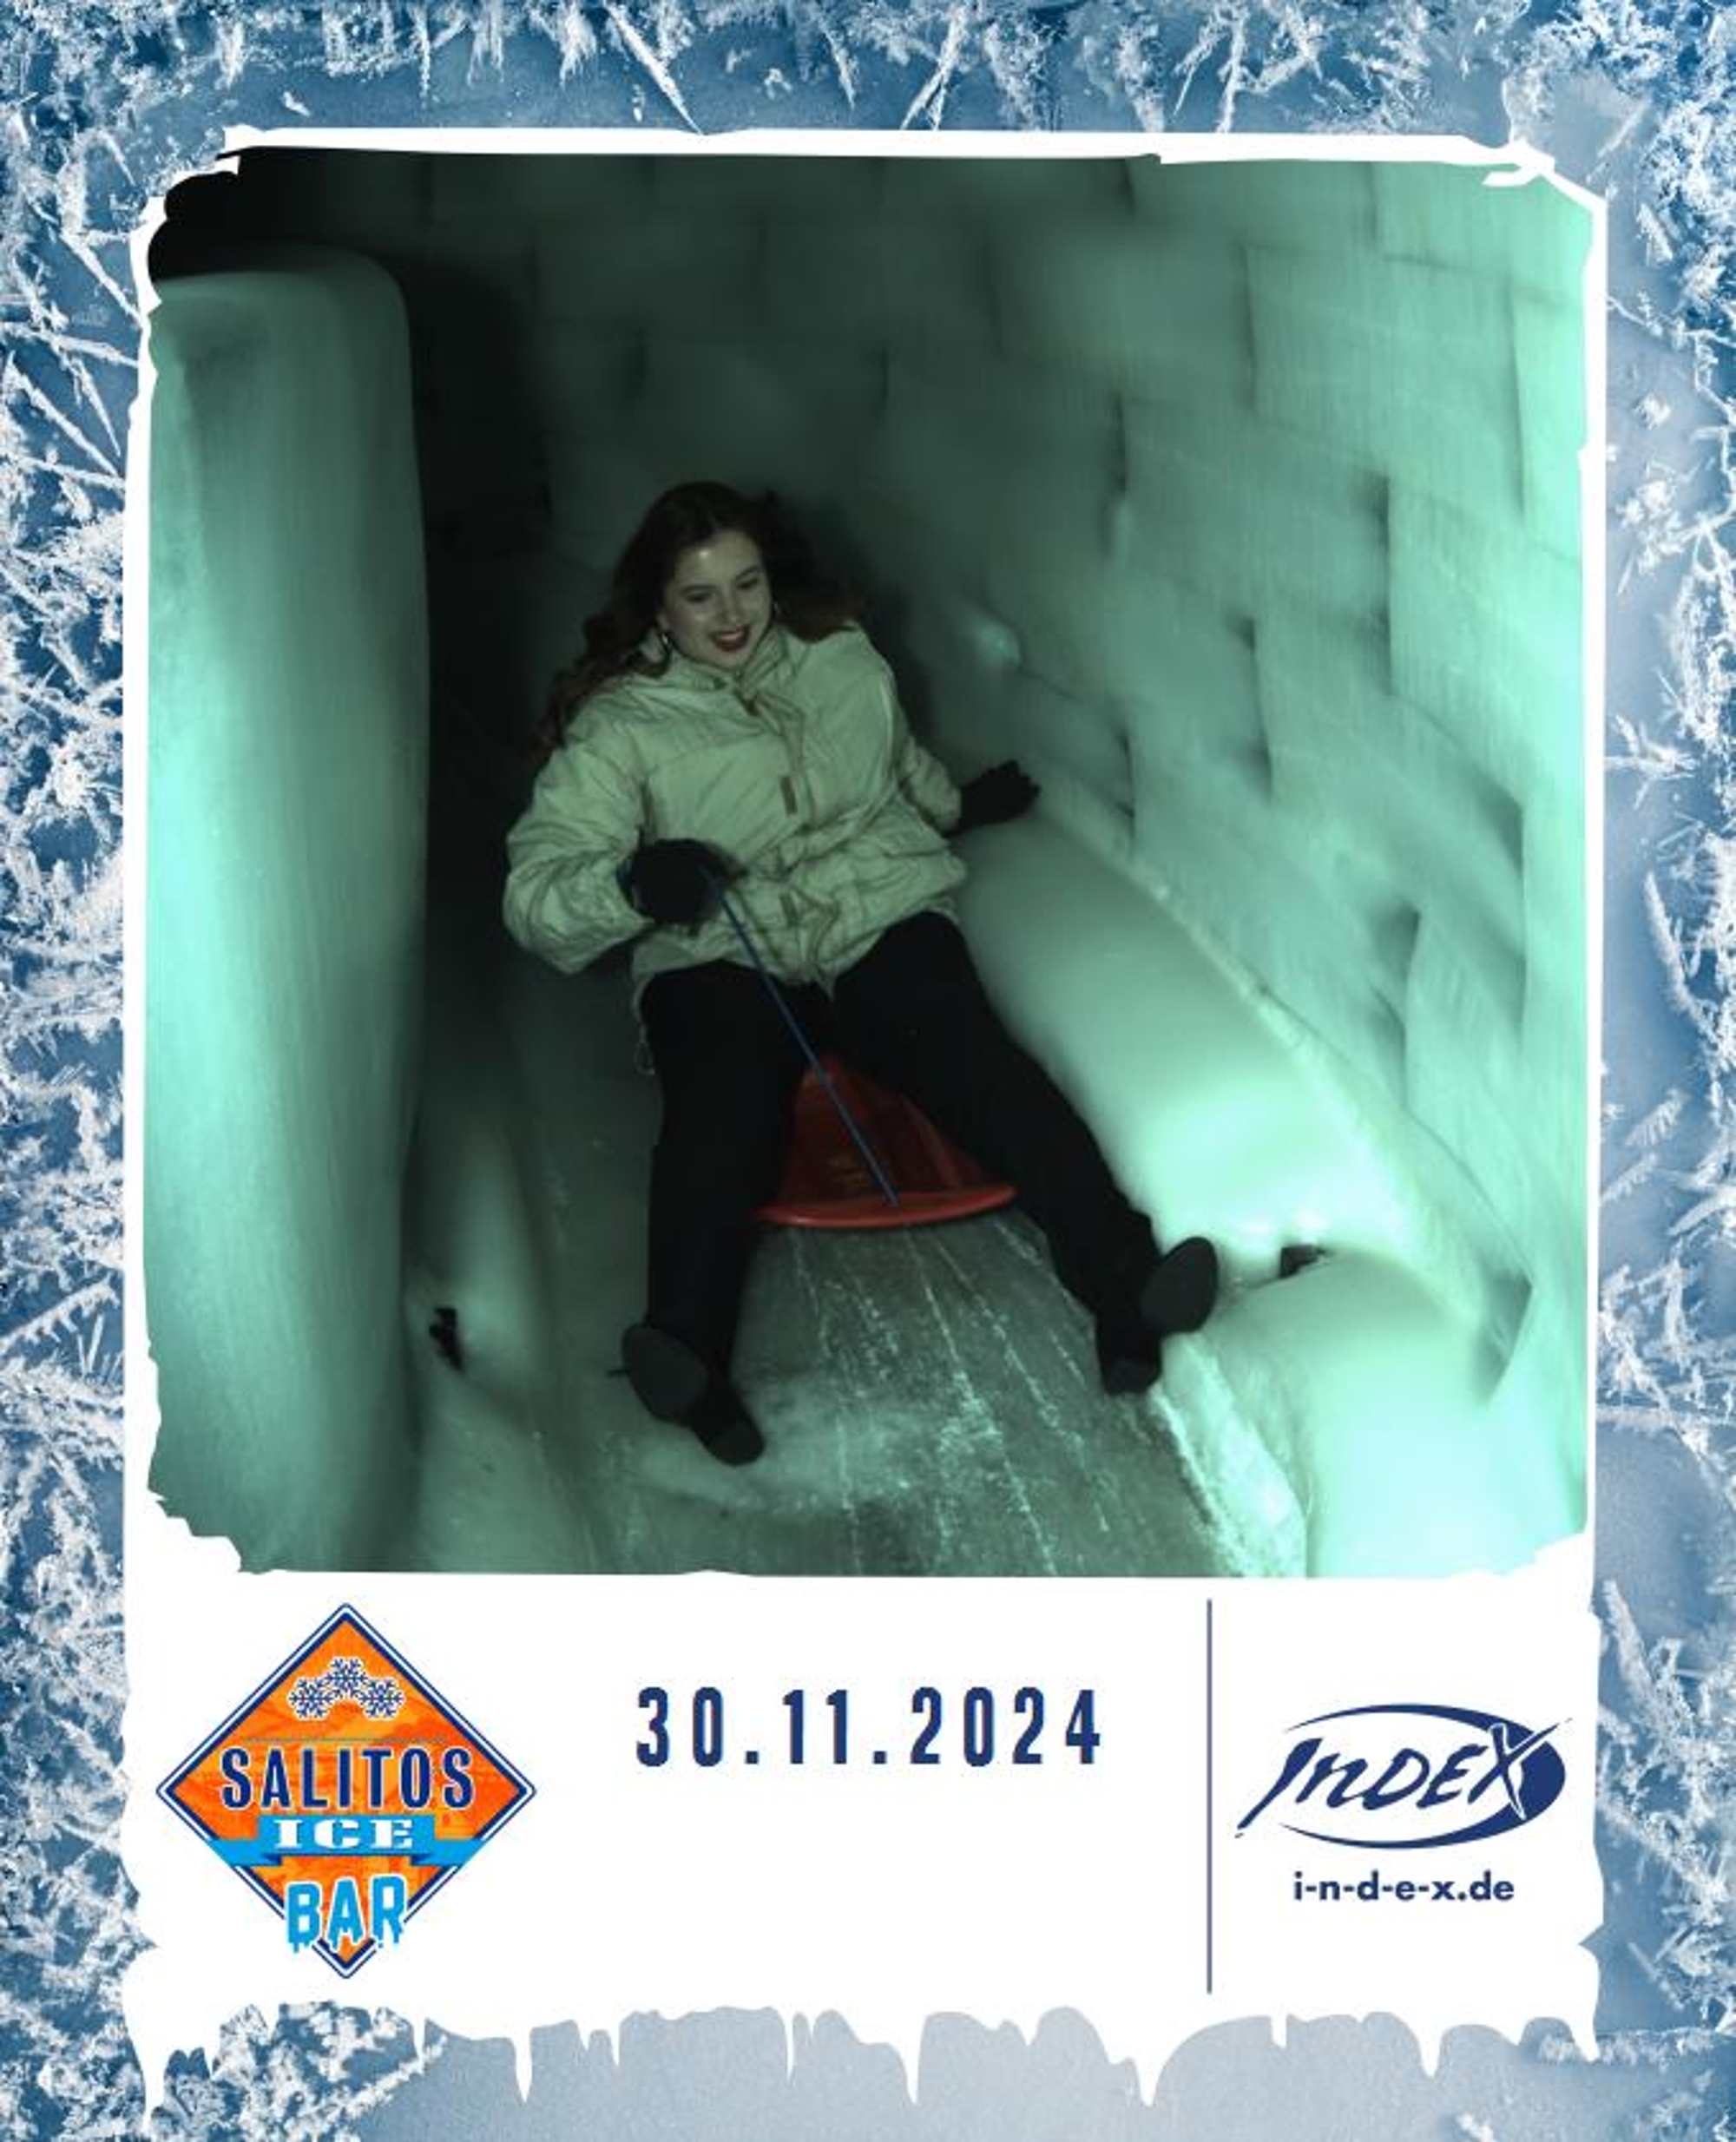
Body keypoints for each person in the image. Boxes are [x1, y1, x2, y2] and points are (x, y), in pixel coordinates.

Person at [504, 482, 1217, 1465]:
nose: (731, 613)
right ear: (658, 607)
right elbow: (535, 894)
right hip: (721, 943)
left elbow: (897, 768)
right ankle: (685, 1352)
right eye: (700, 595)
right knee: (721, 1110)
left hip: (872, 908)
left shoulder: (838, 656)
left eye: (747, 583)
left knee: (975, 1066)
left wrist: (956, 806)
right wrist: (632, 886)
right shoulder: (623, 723)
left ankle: (1124, 1280)